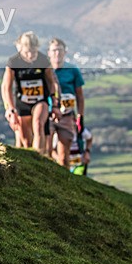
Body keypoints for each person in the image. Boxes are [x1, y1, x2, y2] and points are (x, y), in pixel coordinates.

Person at [1, 32, 58, 155]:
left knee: (38, 124)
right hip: (22, 102)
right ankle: (31, 159)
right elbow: (6, 87)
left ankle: (39, 156)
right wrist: (10, 109)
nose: (30, 55)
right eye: (27, 52)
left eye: (33, 52)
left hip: (40, 100)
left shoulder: (43, 60)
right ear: (20, 48)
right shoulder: (13, 62)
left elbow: (51, 82)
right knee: (26, 142)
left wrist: (54, 102)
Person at [47, 37, 86, 168]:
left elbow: (80, 95)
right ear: (49, 53)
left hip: (67, 115)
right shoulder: (45, 70)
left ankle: (65, 176)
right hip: (49, 115)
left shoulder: (73, 70)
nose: (57, 53)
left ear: (65, 52)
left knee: (64, 156)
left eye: (60, 50)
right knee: (47, 151)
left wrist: (80, 116)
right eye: (54, 50)